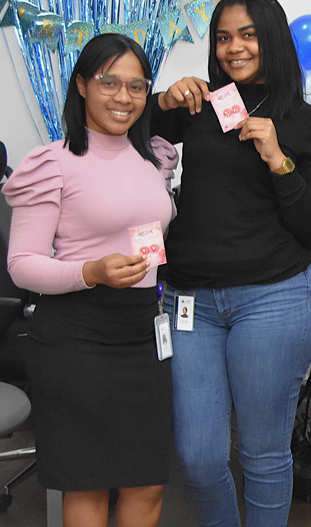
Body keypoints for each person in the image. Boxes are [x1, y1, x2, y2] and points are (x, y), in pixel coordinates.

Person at [152, 0, 311, 527]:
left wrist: (279, 159)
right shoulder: (199, 107)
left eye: (249, 35)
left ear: (273, 39)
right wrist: (162, 101)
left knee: (261, 453)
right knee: (198, 454)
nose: (235, 47)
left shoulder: (307, 122)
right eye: (224, 37)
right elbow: (123, 136)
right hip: (189, 303)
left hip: (273, 300)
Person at [3, 33, 177, 527]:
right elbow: (22, 264)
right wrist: (90, 272)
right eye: (109, 82)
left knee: (147, 481)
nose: (124, 97)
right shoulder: (52, 161)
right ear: (81, 85)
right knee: (90, 484)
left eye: (136, 86)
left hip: (143, 334)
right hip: (76, 338)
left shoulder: (153, 160)